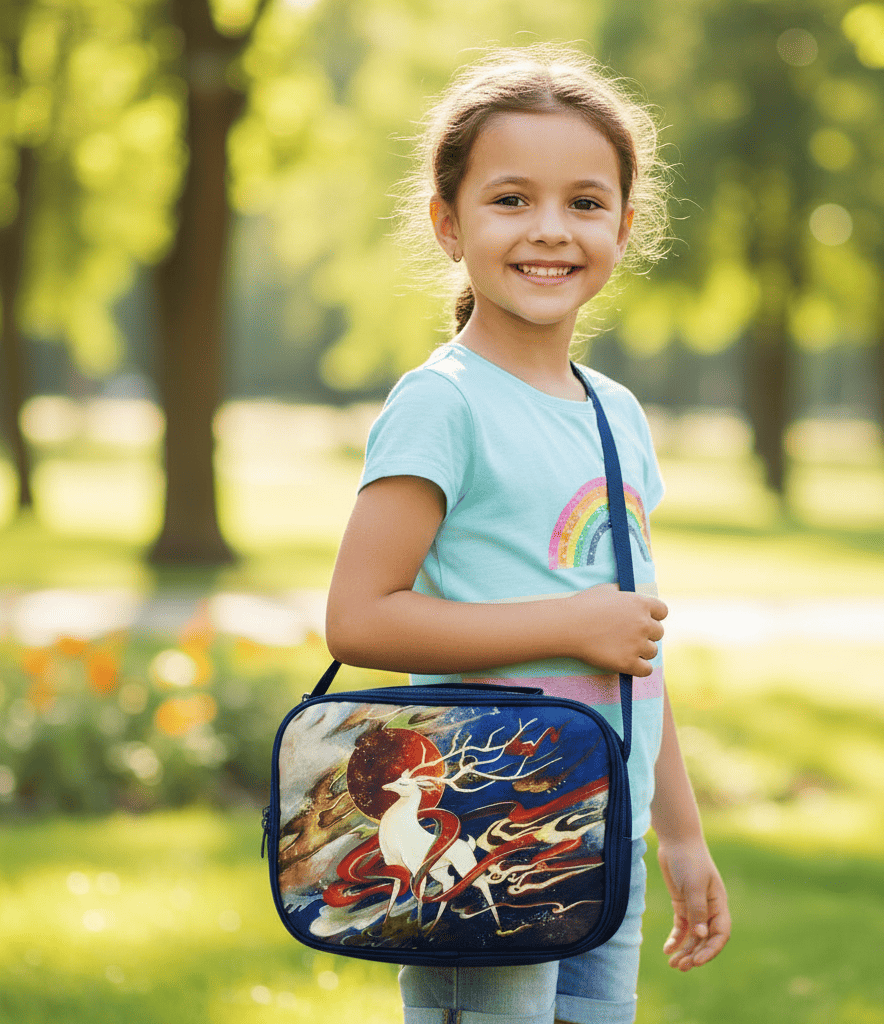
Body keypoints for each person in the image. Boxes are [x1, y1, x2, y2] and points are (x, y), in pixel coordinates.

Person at [325, 43, 730, 1024]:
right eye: (511, 199)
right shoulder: (443, 403)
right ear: (447, 223)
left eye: (584, 203)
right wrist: (569, 624)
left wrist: (677, 831)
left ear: (625, 227)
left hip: (609, 831)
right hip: (486, 834)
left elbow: (633, 642)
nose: (550, 230)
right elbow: (358, 617)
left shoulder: (615, 415)